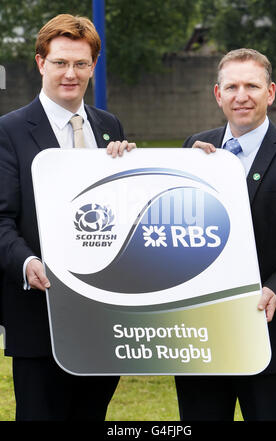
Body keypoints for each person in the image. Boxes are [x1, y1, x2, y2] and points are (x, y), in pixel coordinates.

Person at [0, 14, 135, 421]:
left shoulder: (109, 128)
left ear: (93, 66)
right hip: (38, 317)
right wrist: (27, 263)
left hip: (103, 319)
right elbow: (1, 219)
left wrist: (132, 174)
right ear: (41, 63)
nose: (70, 73)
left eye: (80, 63)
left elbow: (124, 213)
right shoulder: (9, 131)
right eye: (60, 62)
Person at [175, 48, 276, 421]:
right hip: (202, 338)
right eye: (231, 86)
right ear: (217, 94)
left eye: (251, 85)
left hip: (267, 334)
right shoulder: (193, 149)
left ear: (271, 92)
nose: (241, 95)